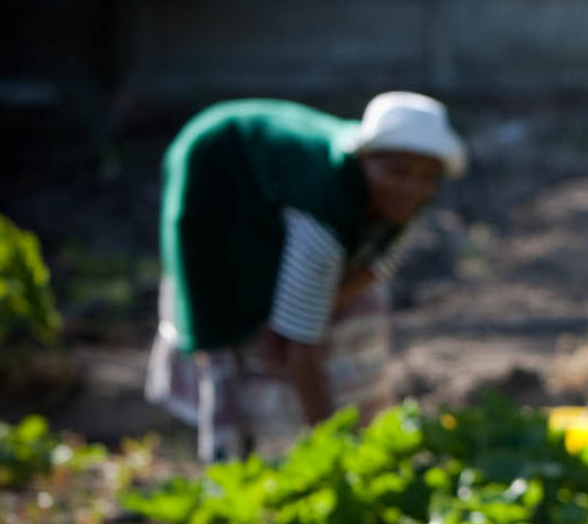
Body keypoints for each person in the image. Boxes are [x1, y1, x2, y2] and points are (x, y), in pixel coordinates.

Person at [147, 92, 466, 462]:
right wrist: (328, 447)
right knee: (236, 311)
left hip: (275, 178)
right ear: (364, 160)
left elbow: (377, 265)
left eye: (428, 178)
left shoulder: (402, 202)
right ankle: (241, 450)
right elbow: (299, 344)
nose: (413, 187)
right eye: (397, 172)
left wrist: (315, 305)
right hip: (219, 166)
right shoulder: (323, 219)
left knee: (315, 306)